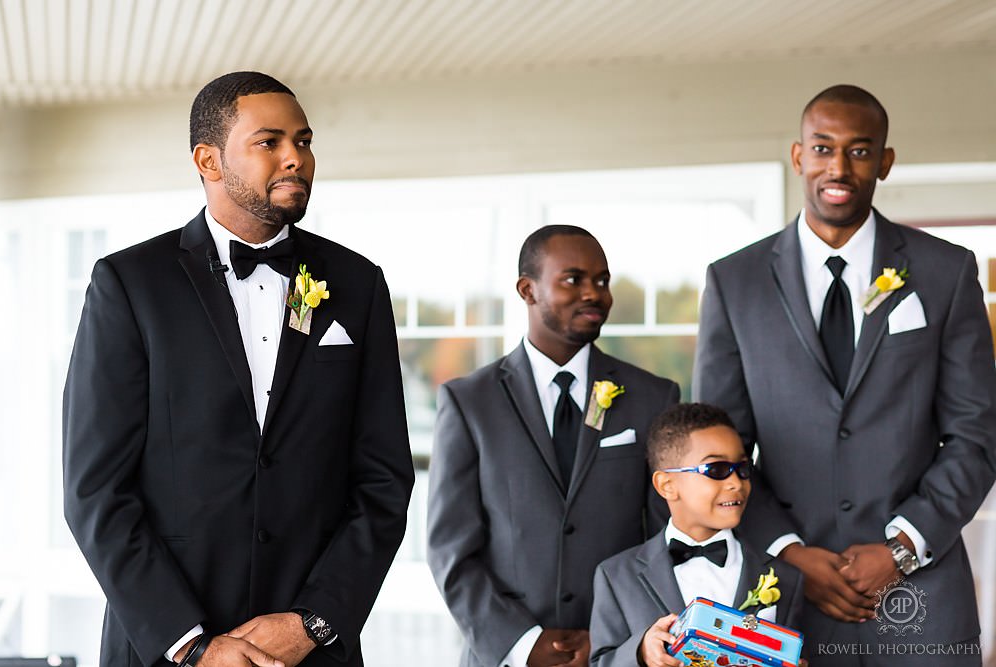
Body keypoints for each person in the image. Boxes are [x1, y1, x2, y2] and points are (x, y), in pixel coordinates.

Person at [63, 71, 414, 667]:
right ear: (208, 159)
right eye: (269, 141)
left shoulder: (358, 285)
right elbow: (95, 491)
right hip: (166, 648)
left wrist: (316, 621)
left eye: (303, 141)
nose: (295, 158)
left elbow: (383, 481)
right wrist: (191, 645)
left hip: (313, 649)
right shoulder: (128, 284)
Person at [693, 84, 996, 665]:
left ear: (884, 162)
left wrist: (902, 548)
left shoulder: (946, 272)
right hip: (780, 595)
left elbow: (976, 436)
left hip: (922, 596)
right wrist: (787, 550)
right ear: (798, 155)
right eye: (823, 148)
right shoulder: (735, 282)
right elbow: (721, 452)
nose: (839, 167)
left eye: (859, 151)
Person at [427, 225, 680, 667]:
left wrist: (616, 637)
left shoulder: (653, 397)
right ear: (528, 289)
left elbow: (664, 539)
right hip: (505, 655)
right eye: (574, 279)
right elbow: (451, 550)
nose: (594, 294)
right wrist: (522, 643)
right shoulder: (469, 402)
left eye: (602, 282)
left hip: (619, 651)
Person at [589, 402, 803, 667]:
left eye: (743, 468)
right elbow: (601, 662)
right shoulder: (616, 576)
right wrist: (641, 652)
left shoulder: (785, 577)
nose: (736, 483)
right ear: (667, 485)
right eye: (717, 470)